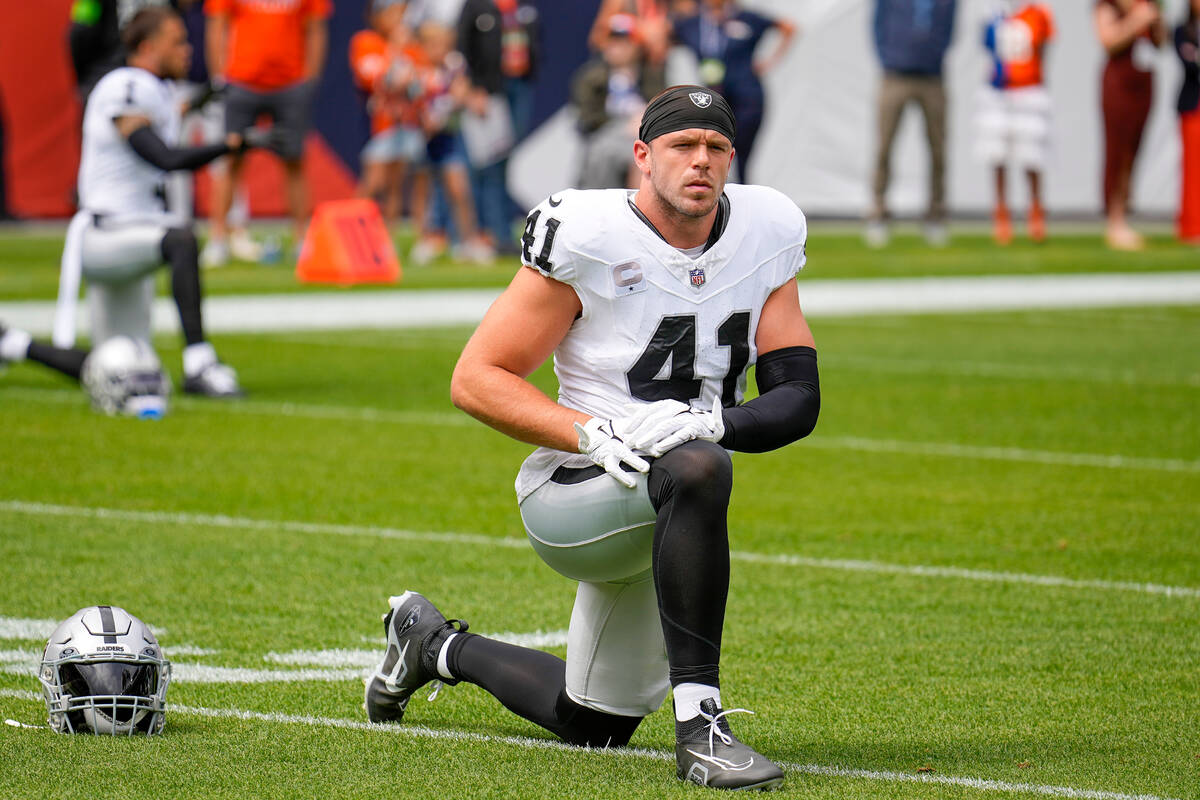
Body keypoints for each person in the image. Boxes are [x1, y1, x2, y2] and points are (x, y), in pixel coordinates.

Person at [363, 85, 820, 790]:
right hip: (576, 490)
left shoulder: (767, 229)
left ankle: (433, 644)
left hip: (668, 509)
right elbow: (476, 378)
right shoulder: (589, 234)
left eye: (716, 147)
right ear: (642, 155)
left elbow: (798, 399)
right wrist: (593, 433)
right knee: (699, 468)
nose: (701, 161)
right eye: (682, 145)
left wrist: (712, 419)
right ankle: (702, 729)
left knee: (594, 724)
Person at [50, 7, 273, 397]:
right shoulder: (126, 86)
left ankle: (12, 343)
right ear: (149, 47)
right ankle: (199, 363)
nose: (188, 50)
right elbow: (163, 157)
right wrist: (232, 145)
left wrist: (210, 96)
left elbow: (171, 113)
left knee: (121, 365)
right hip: (107, 234)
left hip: (128, 232)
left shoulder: (152, 89)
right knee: (180, 238)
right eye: (178, 42)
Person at [202, 0, 332, 265]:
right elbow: (217, 24)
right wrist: (219, 77)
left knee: (294, 161)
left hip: (290, 83)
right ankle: (217, 239)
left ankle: (300, 240)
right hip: (242, 82)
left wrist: (310, 78)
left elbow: (316, 28)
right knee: (231, 160)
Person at [672, 0, 796, 183]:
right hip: (713, 98)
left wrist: (769, 62)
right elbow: (659, 37)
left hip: (747, 97)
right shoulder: (693, 23)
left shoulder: (746, 18)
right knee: (712, 147)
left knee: (741, 153)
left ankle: (742, 195)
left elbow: (788, 28)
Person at [866, 0, 958, 248]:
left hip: (932, 76)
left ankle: (935, 215)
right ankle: (879, 212)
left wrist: (934, 55)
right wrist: (888, 57)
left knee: (938, 149)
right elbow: (877, 24)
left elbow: (949, 27)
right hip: (895, 73)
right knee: (884, 146)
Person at [457, 0, 540, 251]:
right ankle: (488, 233)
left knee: (505, 161)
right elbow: (462, 47)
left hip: (519, 86)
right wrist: (475, 87)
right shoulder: (476, 5)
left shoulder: (523, 6)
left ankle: (501, 231)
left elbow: (532, 44)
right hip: (489, 92)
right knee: (487, 162)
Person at [975, 1, 1055, 244]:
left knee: (1032, 155)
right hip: (1000, 91)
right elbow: (987, 48)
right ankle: (1001, 213)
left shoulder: (1039, 12)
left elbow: (1043, 50)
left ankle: (1036, 210)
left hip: (1028, 89)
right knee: (998, 154)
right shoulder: (994, 12)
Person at [350, 0, 429, 229]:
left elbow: (418, 85)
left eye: (401, 13)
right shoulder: (365, 42)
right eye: (393, 13)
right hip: (378, 126)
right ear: (377, 17)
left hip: (408, 125)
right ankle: (352, 233)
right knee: (374, 182)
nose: (398, 19)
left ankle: (387, 242)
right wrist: (395, 49)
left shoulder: (412, 46)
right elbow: (377, 79)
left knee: (397, 184)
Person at [1094, 0, 1165, 251]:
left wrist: (1156, 21)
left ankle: (1124, 214)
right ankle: (1114, 221)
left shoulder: (1149, 4)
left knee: (1134, 152)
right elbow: (1107, 40)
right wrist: (1136, 19)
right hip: (1118, 82)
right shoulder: (1108, 5)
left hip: (1142, 81)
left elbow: (1160, 43)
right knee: (1117, 151)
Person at [571, 13, 665, 189]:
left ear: (637, 46)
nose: (616, 48)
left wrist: (643, 123)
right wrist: (623, 125)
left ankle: (640, 211)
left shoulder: (652, 74)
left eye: (623, 42)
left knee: (645, 154)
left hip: (645, 135)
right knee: (604, 152)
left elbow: (663, 107)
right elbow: (586, 118)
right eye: (612, 42)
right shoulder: (590, 77)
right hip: (605, 136)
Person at [1175, 0, 1200, 243]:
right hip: (1194, 105)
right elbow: (1189, 63)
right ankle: (1191, 226)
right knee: (1192, 169)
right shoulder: (1184, 30)